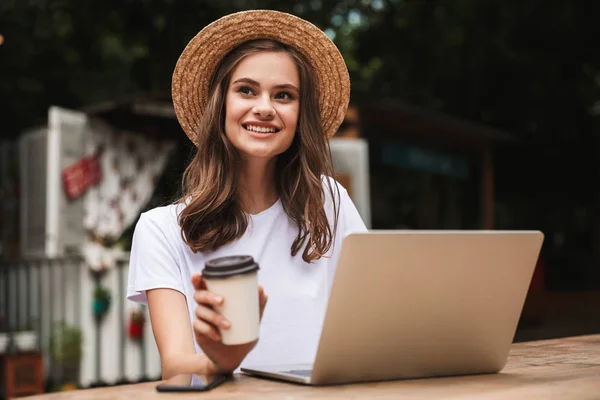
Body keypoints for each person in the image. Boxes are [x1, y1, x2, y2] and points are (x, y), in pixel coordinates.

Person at [127, 9, 367, 379]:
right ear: (220, 104)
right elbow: (175, 368)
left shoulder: (328, 202)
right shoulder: (161, 230)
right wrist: (221, 359)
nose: (264, 108)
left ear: (300, 114)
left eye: (284, 95)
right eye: (246, 90)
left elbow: (370, 324)